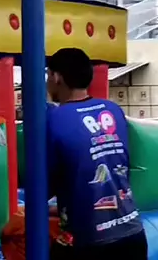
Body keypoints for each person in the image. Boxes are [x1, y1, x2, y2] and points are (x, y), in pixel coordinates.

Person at [45, 48, 146, 260]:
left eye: (48, 75)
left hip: (89, 241)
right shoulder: (114, 109)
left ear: (57, 77)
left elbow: (46, 185)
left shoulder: (55, 119)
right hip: (132, 231)